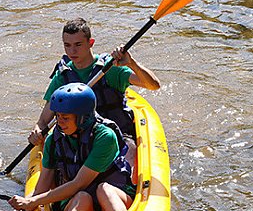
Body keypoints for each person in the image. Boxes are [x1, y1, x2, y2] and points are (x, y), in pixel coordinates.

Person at [9, 83, 135, 211]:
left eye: (65, 117)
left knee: (104, 190)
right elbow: (41, 189)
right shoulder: (54, 140)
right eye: (57, 116)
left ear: (83, 118)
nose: (59, 122)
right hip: (82, 207)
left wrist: (33, 202)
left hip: (113, 199)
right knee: (82, 198)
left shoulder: (105, 137)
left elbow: (79, 184)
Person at [28, 18, 161, 147]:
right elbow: (44, 121)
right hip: (81, 141)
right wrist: (37, 131)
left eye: (78, 45)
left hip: (116, 137)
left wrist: (132, 64)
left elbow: (153, 85)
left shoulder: (109, 68)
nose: (72, 51)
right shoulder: (63, 77)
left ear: (91, 43)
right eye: (67, 45)